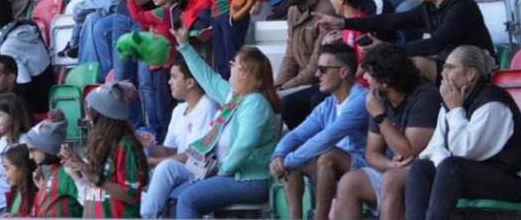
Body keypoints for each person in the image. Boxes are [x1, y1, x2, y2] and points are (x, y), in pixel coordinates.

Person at [164, 24, 282, 218]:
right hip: (232, 175)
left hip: (249, 180)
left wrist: (223, 171)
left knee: (188, 199)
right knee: (175, 194)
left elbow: (245, 144)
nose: (231, 66)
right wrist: (184, 45)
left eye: (234, 64)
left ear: (245, 72)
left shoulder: (255, 103)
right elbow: (208, 78)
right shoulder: (235, 97)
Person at [404, 46, 521, 220]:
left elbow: (464, 150)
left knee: (452, 166)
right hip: (471, 175)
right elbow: (434, 148)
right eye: (443, 67)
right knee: (421, 168)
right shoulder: (452, 100)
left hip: (512, 181)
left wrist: (456, 110)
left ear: (471, 74)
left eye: (450, 68)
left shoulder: (493, 102)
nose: (443, 74)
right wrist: (441, 164)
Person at [319, 0, 493, 82]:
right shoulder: (431, 6)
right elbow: (392, 20)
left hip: (476, 69)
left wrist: (387, 48)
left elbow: (434, 44)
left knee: (415, 63)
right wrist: (343, 23)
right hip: (449, 63)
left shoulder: (461, 6)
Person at [333, 43, 442, 220]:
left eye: (369, 73)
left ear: (386, 81)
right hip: (392, 168)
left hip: (422, 170)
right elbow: (372, 153)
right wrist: (391, 164)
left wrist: (380, 117)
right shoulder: (380, 98)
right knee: (349, 183)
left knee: (392, 179)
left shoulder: (425, 97)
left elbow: (408, 152)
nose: (365, 77)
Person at [270, 42, 369, 220]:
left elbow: (326, 139)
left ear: (343, 72)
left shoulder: (361, 100)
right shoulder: (329, 103)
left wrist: (289, 160)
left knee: (325, 156)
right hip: (333, 166)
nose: (317, 74)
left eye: (323, 69)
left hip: (365, 167)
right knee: (293, 156)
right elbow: (297, 135)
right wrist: (280, 154)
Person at [140, 56, 218, 216]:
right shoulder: (178, 110)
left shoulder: (207, 107)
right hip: (181, 168)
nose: (169, 82)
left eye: (174, 77)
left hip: (200, 169)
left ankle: (145, 215)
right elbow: (170, 150)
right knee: (141, 156)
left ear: (190, 83)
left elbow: (195, 155)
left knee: (165, 167)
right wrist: (143, 148)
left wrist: (153, 162)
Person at [59, 82, 147, 217]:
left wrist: (95, 177)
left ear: (102, 117)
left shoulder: (126, 145)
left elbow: (131, 196)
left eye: (90, 112)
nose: (86, 118)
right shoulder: (100, 143)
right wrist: (78, 162)